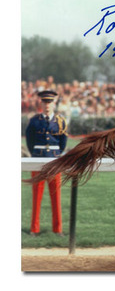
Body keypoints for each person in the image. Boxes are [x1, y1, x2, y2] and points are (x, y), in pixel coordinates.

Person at [25, 90, 68, 237]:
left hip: (54, 160)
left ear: (54, 103)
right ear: (41, 103)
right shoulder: (34, 121)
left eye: (50, 102)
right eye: (45, 102)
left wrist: (56, 155)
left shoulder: (60, 121)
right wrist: (35, 154)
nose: (47, 105)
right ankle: (34, 229)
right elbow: (29, 140)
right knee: (37, 195)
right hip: (37, 159)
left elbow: (63, 143)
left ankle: (58, 229)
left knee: (56, 196)